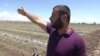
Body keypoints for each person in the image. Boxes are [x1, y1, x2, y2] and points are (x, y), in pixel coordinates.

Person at [17, 5, 86, 56]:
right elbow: (39, 20)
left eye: (53, 15)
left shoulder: (78, 41)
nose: (50, 18)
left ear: (64, 17)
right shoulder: (53, 30)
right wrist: (26, 13)